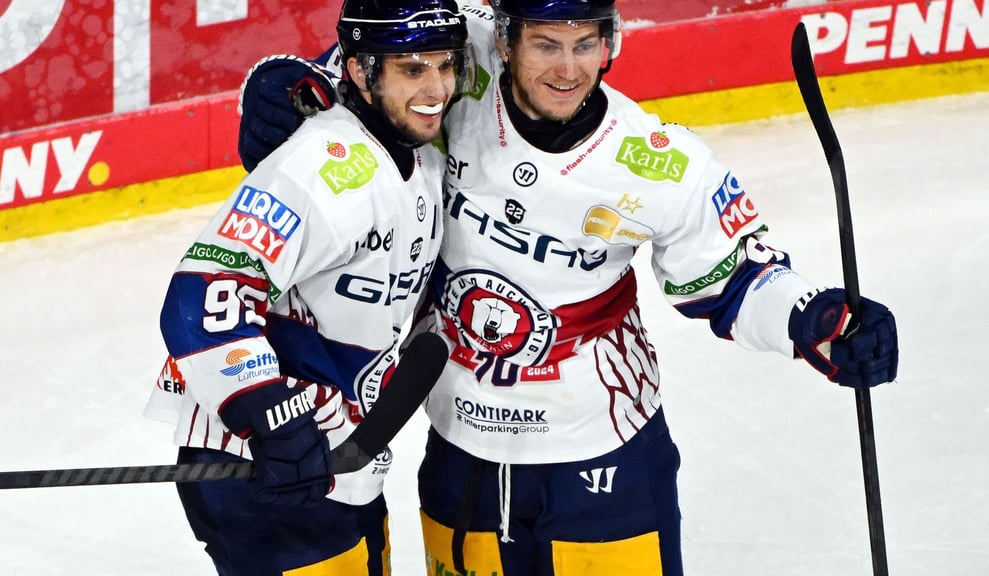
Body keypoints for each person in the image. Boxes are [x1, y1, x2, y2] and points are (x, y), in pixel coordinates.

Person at [237, 1, 899, 574]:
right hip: (460, 452)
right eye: (545, 44)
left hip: (604, 454)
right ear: (503, 41)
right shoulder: (456, 71)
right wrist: (277, 87)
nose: (567, 68)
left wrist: (817, 321)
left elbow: (738, 277)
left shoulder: (660, 163)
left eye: (586, 44)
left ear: (610, 43)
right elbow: (344, 77)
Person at [144, 1, 474, 575]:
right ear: (361, 72)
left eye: (444, 66)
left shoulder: (410, 149)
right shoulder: (322, 169)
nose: (436, 88)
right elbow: (203, 293)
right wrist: (271, 414)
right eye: (412, 69)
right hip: (260, 465)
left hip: (336, 458)